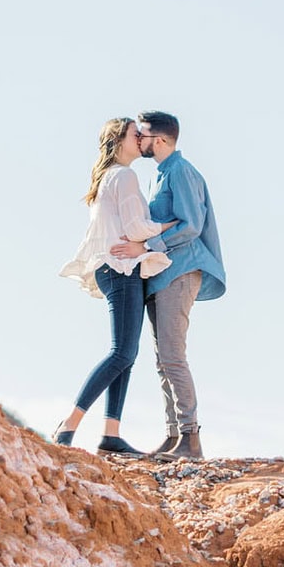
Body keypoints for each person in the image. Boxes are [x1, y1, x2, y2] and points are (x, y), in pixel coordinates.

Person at [54, 116, 176, 454]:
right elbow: (136, 225)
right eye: (134, 134)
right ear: (119, 141)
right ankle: (69, 425)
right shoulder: (124, 175)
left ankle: (111, 433)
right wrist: (169, 226)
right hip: (122, 269)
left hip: (114, 270)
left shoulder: (109, 177)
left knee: (125, 354)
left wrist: (143, 244)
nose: (140, 138)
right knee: (122, 352)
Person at [109, 110, 224, 460]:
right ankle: (174, 436)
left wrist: (145, 247)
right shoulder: (158, 177)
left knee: (173, 356)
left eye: (142, 134)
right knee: (163, 359)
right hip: (161, 274)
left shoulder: (182, 173)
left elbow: (190, 225)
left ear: (159, 140)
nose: (138, 139)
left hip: (181, 270)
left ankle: (190, 438)